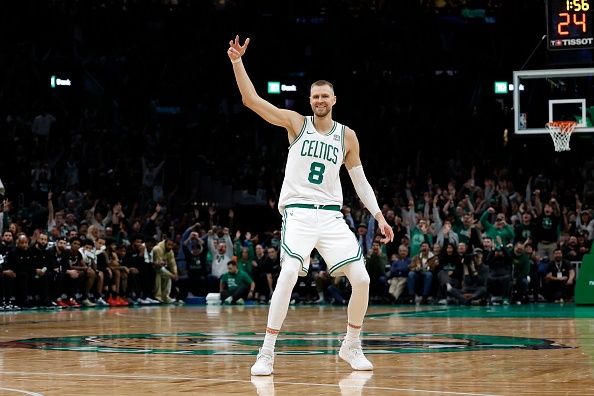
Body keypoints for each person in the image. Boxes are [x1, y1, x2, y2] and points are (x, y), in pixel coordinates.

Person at [227, 35, 393, 376]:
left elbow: (359, 181)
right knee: (288, 273)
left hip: (332, 217)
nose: (319, 100)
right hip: (300, 214)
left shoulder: (347, 136)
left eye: (325, 96)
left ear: (334, 100)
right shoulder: (296, 123)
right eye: (315, 96)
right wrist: (236, 62)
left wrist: (379, 215)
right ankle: (266, 352)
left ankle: (351, 345)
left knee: (361, 279)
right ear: (310, 100)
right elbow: (251, 100)